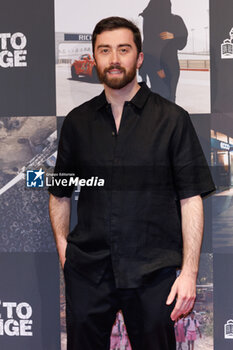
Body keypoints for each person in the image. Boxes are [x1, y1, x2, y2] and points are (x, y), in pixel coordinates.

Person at [48, 16, 215, 350]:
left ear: (139, 58)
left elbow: (190, 199)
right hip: (88, 272)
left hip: (154, 272)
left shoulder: (172, 120)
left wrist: (190, 273)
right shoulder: (77, 123)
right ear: (94, 58)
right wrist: (66, 256)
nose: (114, 59)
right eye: (104, 50)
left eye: (123, 50)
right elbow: (59, 194)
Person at [139, 0, 188, 102]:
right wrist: (158, 68)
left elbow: (182, 42)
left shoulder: (176, 20)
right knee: (160, 96)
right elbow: (149, 45)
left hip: (171, 67)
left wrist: (173, 36)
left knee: (170, 96)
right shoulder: (151, 21)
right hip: (157, 67)